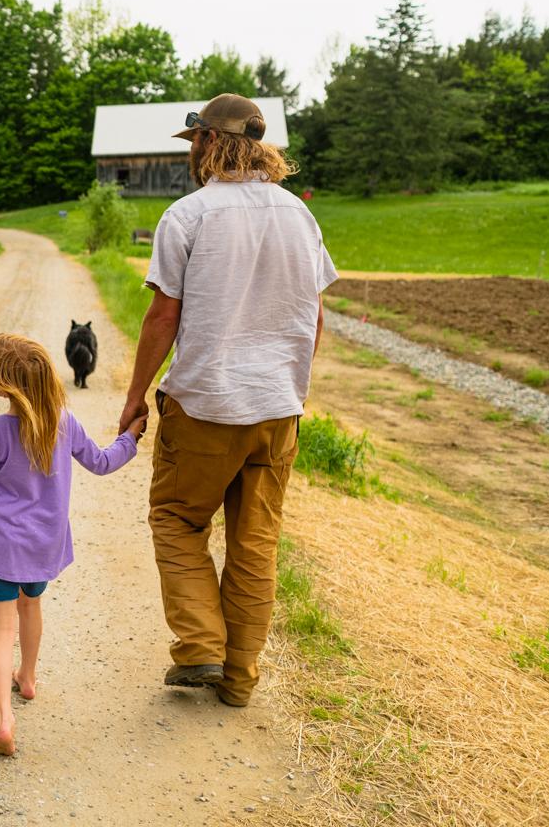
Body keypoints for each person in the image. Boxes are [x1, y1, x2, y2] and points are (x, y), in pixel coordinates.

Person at [117, 93, 338, 708]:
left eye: (195, 145)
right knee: (255, 542)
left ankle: (200, 650)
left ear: (212, 144)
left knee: (178, 520)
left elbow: (163, 318)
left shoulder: (188, 216)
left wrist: (135, 397)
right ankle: (239, 680)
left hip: (205, 405)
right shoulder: (299, 215)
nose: (193, 158)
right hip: (278, 410)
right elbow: (314, 319)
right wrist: (289, 383)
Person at [0, 334, 145, 756]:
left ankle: (4, 719)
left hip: (2, 548)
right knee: (31, 606)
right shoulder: (65, 422)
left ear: (2, 385)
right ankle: (29, 678)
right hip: (43, 547)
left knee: (1, 629)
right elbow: (103, 462)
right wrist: (131, 437)